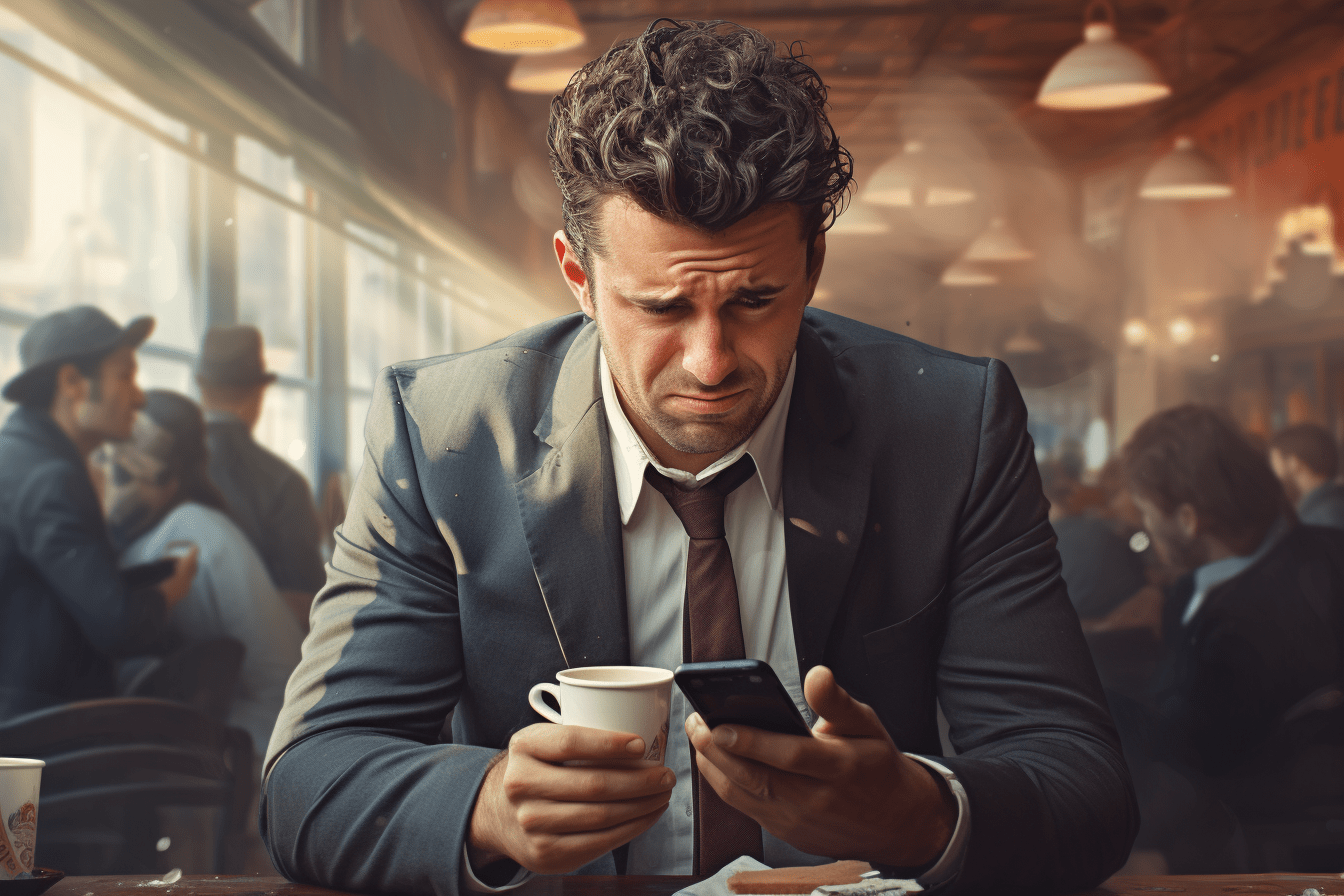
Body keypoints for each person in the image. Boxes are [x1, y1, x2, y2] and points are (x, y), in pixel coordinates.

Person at [262, 20, 1137, 896]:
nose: (711, 363)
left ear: (814, 263)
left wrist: (922, 812)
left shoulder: (948, 428)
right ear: (579, 277)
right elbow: (309, 782)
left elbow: (1084, 788)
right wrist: (487, 807)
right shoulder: (446, 435)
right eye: (663, 307)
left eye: (755, 300)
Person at [1119, 405, 1344, 870]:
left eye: (1146, 511)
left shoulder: (1243, 625)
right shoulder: (1328, 550)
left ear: (1187, 518)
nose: (1144, 527)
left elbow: (1191, 753)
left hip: (1262, 851)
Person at [0, 305, 197, 720]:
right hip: (41, 735)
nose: (140, 397)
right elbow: (118, 626)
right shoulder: (49, 478)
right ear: (72, 383)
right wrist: (169, 592)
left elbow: (58, 590)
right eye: (125, 376)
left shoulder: (21, 457)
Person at [101, 389, 304, 757]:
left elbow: (279, 678)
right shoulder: (122, 535)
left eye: (133, 474)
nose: (119, 488)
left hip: (251, 738)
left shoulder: (201, 534)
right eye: (114, 469)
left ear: (171, 480)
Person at [194, 324, 325, 629]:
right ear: (258, 393)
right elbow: (306, 604)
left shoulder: (165, 471)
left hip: (183, 657)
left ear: (200, 389)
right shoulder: (283, 483)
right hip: (262, 659)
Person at [1269, 422, 1344, 531]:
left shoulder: (1322, 518)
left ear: (1294, 464)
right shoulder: (1330, 506)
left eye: (1275, 466)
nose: (1274, 476)